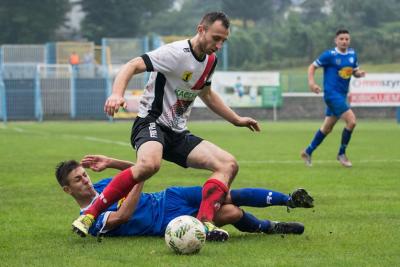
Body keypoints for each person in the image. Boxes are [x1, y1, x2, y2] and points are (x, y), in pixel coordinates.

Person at [72, 11, 260, 241]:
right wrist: (116, 94)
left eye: (223, 40)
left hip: (177, 134)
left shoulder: (210, 60)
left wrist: (236, 120)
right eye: (216, 38)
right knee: (150, 165)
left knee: (228, 164)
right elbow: (132, 65)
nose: (219, 45)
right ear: (201, 29)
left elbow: (207, 94)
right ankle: (91, 213)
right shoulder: (174, 53)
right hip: (151, 123)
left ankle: (204, 223)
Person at [58, 155, 314, 240]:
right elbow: (123, 216)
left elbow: (133, 169)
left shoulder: (104, 184)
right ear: (67, 190)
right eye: (78, 180)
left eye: (84, 175)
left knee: (225, 194)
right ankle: (271, 227)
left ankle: (289, 199)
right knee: (232, 212)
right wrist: (141, 177)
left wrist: (111, 162)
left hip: (170, 196)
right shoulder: (88, 221)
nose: (86, 180)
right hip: (168, 221)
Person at [301, 29, 366, 167]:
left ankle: (308, 151)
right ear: (336, 40)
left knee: (327, 128)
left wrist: (359, 74)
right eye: (341, 39)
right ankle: (341, 154)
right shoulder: (329, 55)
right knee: (352, 121)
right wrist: (312, 83)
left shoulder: (352, 55)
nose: (344, 41)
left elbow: (354, 71)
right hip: (331, 95)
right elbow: (312, 67)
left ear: (349, 40)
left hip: (342, 96)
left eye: (347, 39)